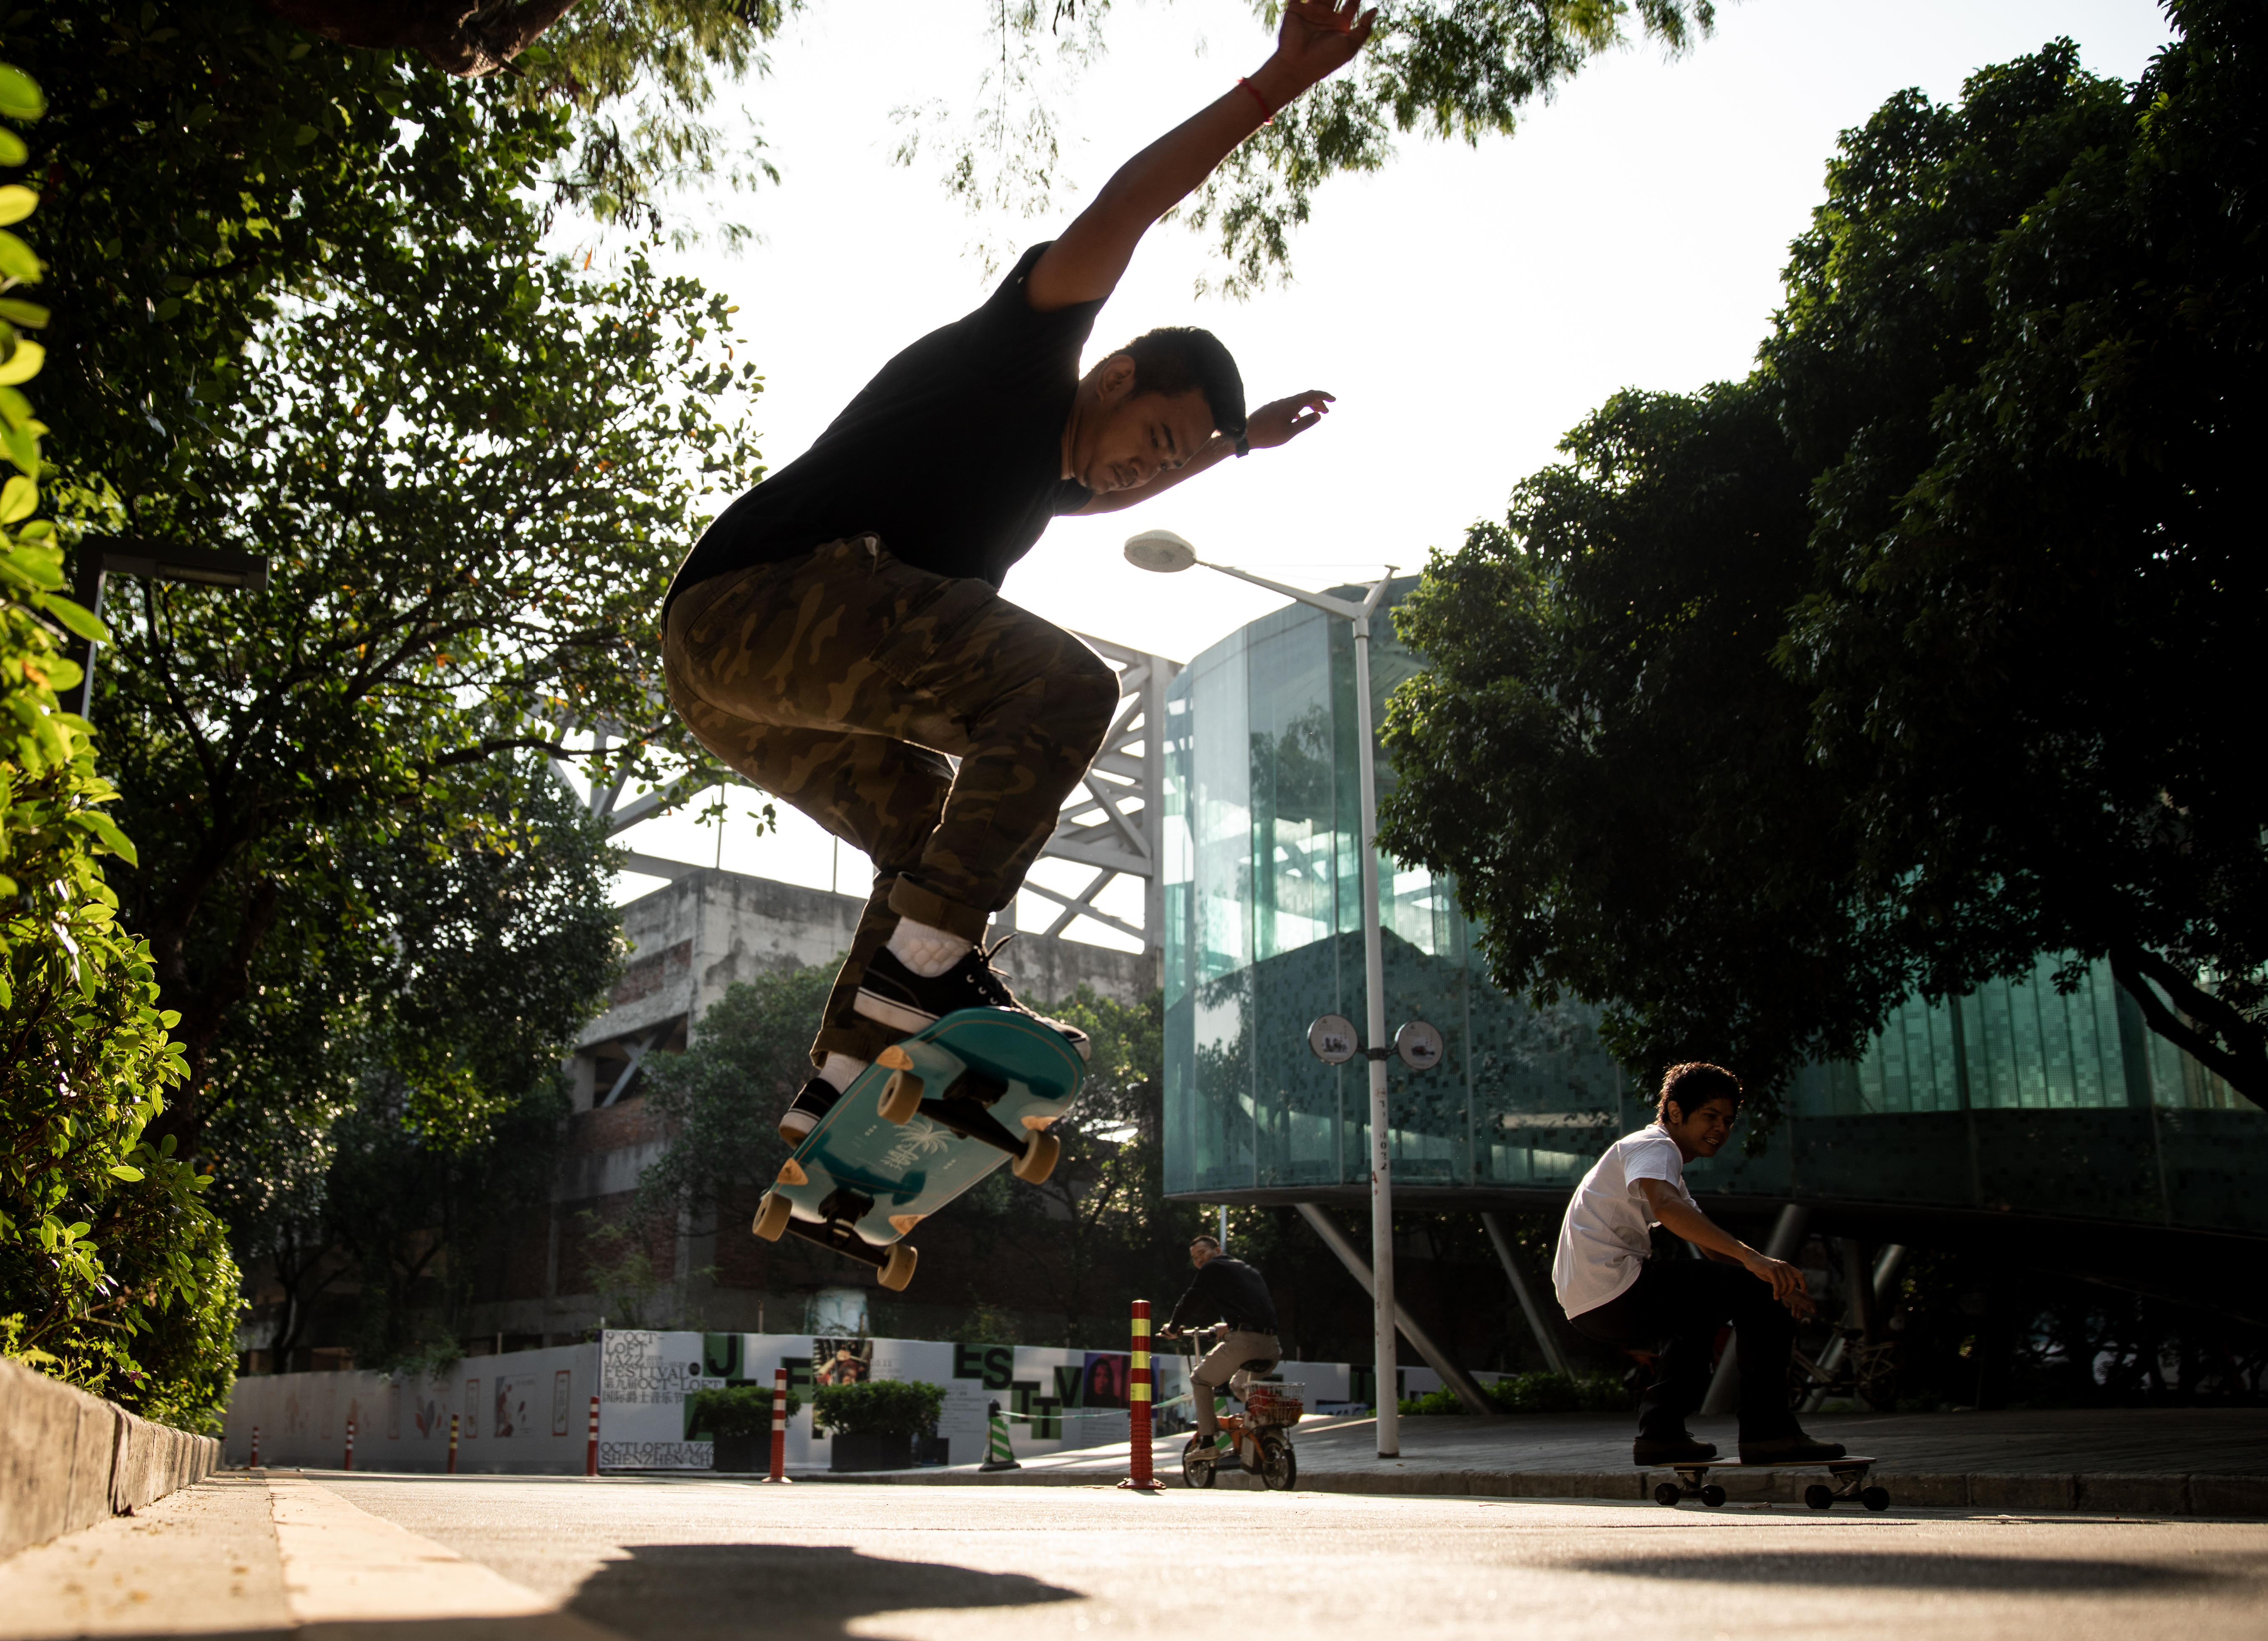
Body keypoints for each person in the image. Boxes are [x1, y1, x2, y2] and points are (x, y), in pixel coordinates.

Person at [661, 5, 1380, 1145]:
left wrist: (1230, 449)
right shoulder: (1031, 348)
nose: (1150, 467)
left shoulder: (1045, 489)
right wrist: (1274, 86)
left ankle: (848, 1079)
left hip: (734, 691)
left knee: (928, 825)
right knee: (1068, 691)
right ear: (1122, 372)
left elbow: (1114, 493)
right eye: (1157, 433)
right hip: (759, 602)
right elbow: (1129, 204)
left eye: (1171, 463)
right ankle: (928, 975)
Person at [1554, 1062, 1846, 1466]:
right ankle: (1769, 1433)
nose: (1720, 1130)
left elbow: (1708, 1245)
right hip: (1615, 1285)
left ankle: (1661, 1434)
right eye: (1710, 1116)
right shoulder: (1654, 1146)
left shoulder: (1658, 1159)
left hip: (1588, 1303)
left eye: (1727, 1121)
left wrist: (1768, 1276)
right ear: (1675, 1112)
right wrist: (1757, 1265)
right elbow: (1668, 1208)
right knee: (1751, 1292)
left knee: (1700, 1313)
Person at [1162, 1233, 1282, 1452]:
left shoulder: (1213, 1267)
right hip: (1272, 1345)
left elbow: (1191, 1299)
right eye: (1194, 1258)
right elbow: (1258, 1309)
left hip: (1245, 1344)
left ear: (1217, 1251)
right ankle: (1260, 1430)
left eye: (1202, 1253)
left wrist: (1172, 1328)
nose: (1199, 1261)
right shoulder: (1248, 1270)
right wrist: (1228, 1328)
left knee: (1200, 1380)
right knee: (1240, 1385)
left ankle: (1207, 1442)